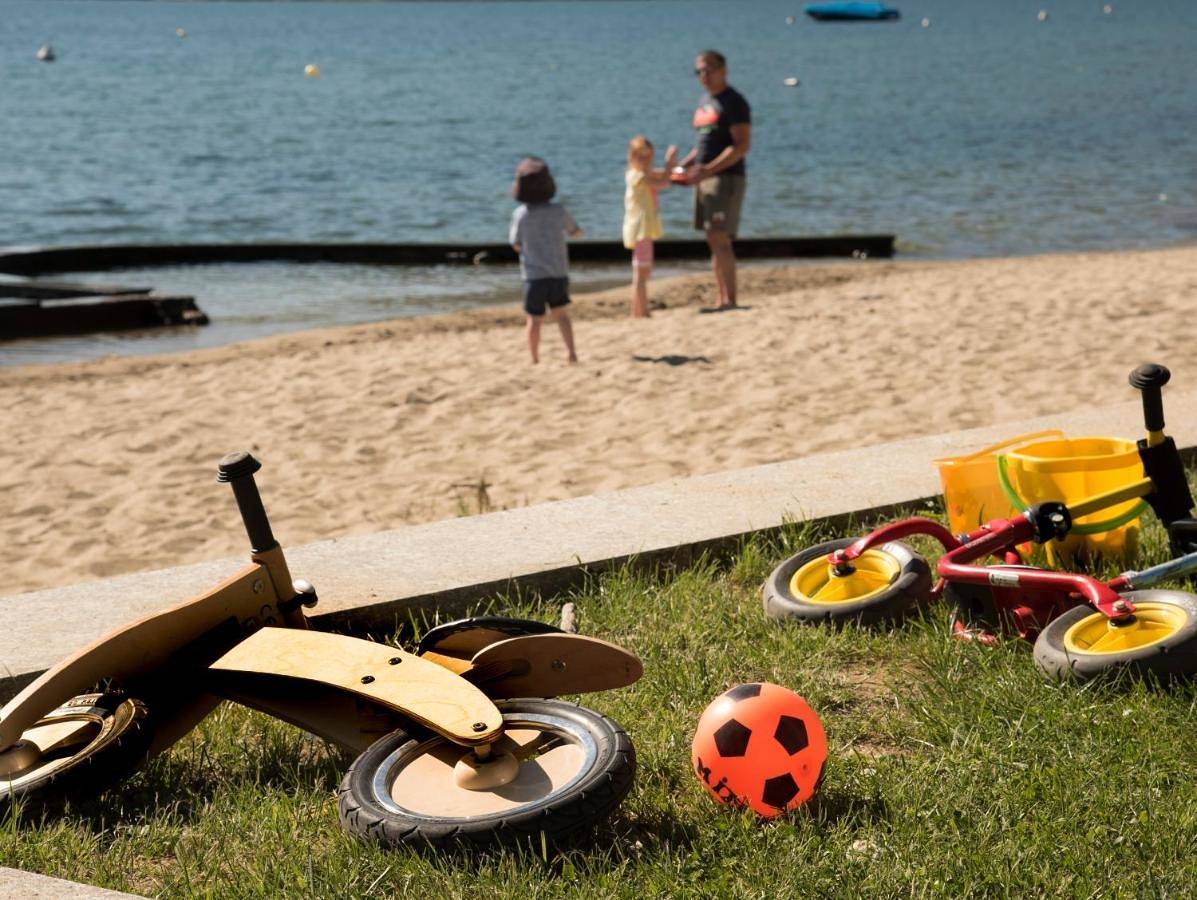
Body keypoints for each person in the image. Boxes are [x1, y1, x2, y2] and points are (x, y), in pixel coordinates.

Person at [676, 49, 752, 312]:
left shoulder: (734, 101)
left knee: (721, 238)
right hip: (703, 178)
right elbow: (703, 144)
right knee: (711, 237)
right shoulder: (705, 101)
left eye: (709, 69)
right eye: (699, 71)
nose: (704, 75)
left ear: (723, 70)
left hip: (725, 177)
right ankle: (721, 298)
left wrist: (708, 170)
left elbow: (741, 146)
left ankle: (731, 300)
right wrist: (682, 167)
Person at [508, 156, 581, 364]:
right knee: (562, 315)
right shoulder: (558, 211)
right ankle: (571, 353)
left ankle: (534, 358)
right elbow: (574, 231)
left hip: (533, 276)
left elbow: (515, 243)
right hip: (558, 273)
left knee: (534, 320)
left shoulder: (521, 214)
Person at [622, 136, 678, 318]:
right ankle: (641, 311)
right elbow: (664, 183)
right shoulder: (637, 176)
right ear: (632, 156)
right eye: (641, 157)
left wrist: (672, 166)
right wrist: (670, 165)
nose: (646, 161)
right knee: (641, 271)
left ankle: (637, 310)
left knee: (642, 270)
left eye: (649, 157)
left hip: (643, 227)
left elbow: (661, 175)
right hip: (641, 229)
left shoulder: (641, 173)